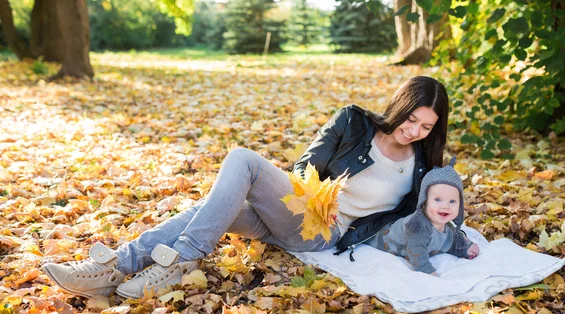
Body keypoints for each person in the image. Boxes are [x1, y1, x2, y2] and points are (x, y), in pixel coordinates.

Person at [42, 76, 449, 299]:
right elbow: (305, 167)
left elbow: (428, 218)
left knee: (242, 161)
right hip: (298, 209)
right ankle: (114, 266)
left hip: (325, 233)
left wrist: (453, 239)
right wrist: (315, 195)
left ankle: (182, 259)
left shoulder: (421, 170)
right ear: (399, 106)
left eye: (425, 127)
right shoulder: (354, 122)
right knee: (213, 207)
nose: (413, 131)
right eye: (410, 119)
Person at [366, 157, 480, 274]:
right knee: (374, 235)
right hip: (378, 236)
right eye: (438, 199)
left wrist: (466, 249)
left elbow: (449, 242)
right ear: (424, 202)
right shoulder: (418, 227)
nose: (445, 206)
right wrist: (427, 270)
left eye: (452, 201)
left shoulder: (446, 225)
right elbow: (416, 253)